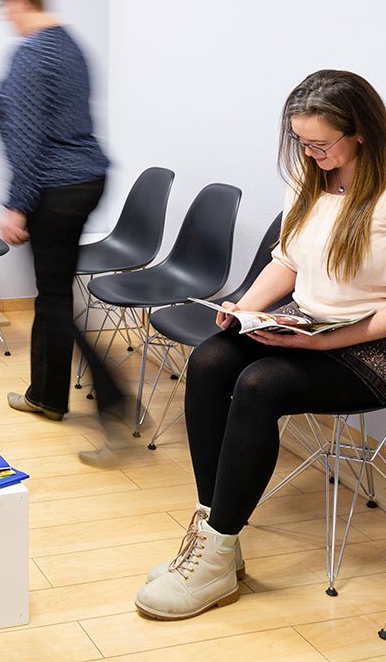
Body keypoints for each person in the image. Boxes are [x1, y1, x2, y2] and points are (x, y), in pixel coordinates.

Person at [135, 69, 386, 620]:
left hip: (371, 342)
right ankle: (215, 542)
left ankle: (215, 553)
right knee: (210, 359)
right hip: (309, 321)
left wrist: (323, 346)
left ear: (362, 130)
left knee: (259, 384)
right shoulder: (313, 177)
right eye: (301, 142)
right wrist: (244, 307)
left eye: (321, 143)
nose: (310, 154)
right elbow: (287, 260)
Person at [0, 0, 128, 455]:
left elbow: (30, 137)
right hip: (85, 178)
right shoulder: (70, 44)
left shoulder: (33, 52)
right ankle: (46, 396)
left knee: (53, 300)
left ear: (18, 0)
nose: (3, 15)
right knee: (53, 296)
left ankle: (114, 403)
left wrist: (17, 204)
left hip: (56, 187)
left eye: (4, 5)